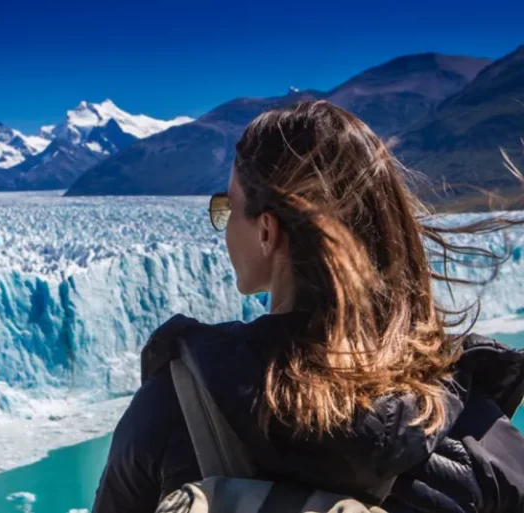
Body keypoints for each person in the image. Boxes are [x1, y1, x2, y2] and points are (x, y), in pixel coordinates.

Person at [91, 100, 524, 513]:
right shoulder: (463, 421)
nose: (223, 227)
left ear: (266, 231)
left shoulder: (176, 404)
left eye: (227, 207)